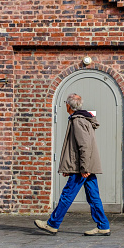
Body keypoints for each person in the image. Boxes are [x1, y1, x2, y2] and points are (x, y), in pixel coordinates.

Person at [34, 93, 110, 236]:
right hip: (83, 165)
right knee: (93, 196)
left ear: (68, 105)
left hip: (81, 167)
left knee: (67, 194)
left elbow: (84, 146)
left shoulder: (77, 121)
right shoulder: (84, 119)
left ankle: (52, 224)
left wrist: (84, 167)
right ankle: (103, 225)